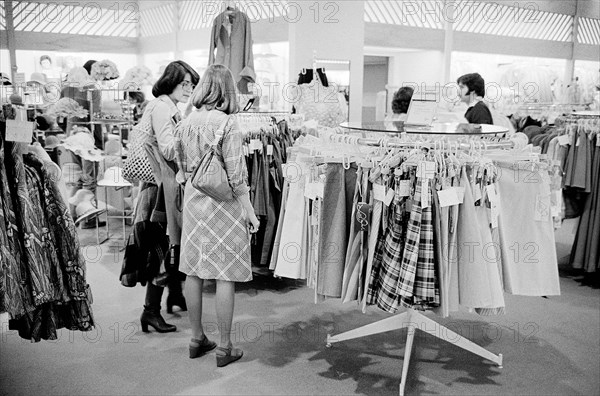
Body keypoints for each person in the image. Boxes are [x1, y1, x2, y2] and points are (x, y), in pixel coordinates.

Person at [176, 64, 260, 367]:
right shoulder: (227, 124)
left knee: (193, 270)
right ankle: (224, 347)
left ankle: (196, 338)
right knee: (226, 274)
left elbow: (181, 170)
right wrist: (249, 212)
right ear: (226, 90)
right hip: (224, 206)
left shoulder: (185, 123)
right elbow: (238, 178)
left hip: (195, 205)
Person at [137, 60, 200, 333]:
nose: (189, 89)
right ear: (171, 81)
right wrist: (192, 142)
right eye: (184, 83)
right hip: (161, 189)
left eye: (192, 84)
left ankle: (175, 295)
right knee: (163, 247)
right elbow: (168, 149)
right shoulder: (163, 108)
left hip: (164, 185)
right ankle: (150, 311)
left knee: (172, 243)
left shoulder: (168, 107)